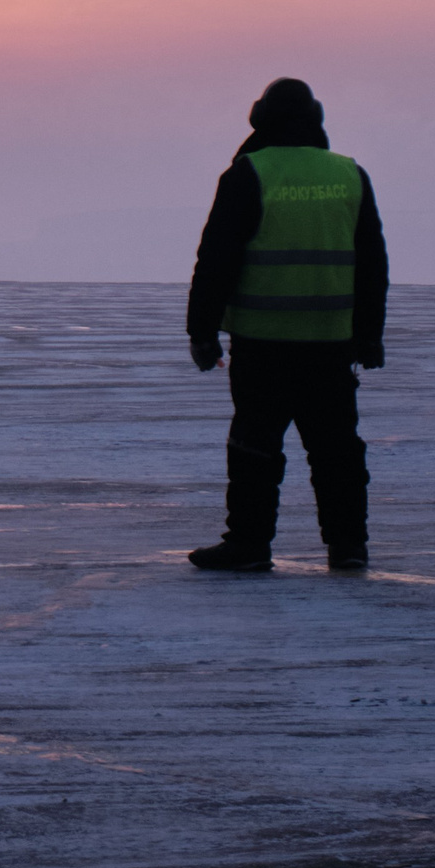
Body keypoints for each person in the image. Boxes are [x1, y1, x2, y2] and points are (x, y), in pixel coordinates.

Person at [184, 77, 387, 573]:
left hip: (262, 344)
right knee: (337, 452)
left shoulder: (249, 173)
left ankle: (248, 544)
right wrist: (369, 335)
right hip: (330, 345)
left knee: (254, 449)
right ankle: (348, 547)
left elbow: (216, 259)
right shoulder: (349, 175)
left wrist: (202, 331)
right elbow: (371, 263)